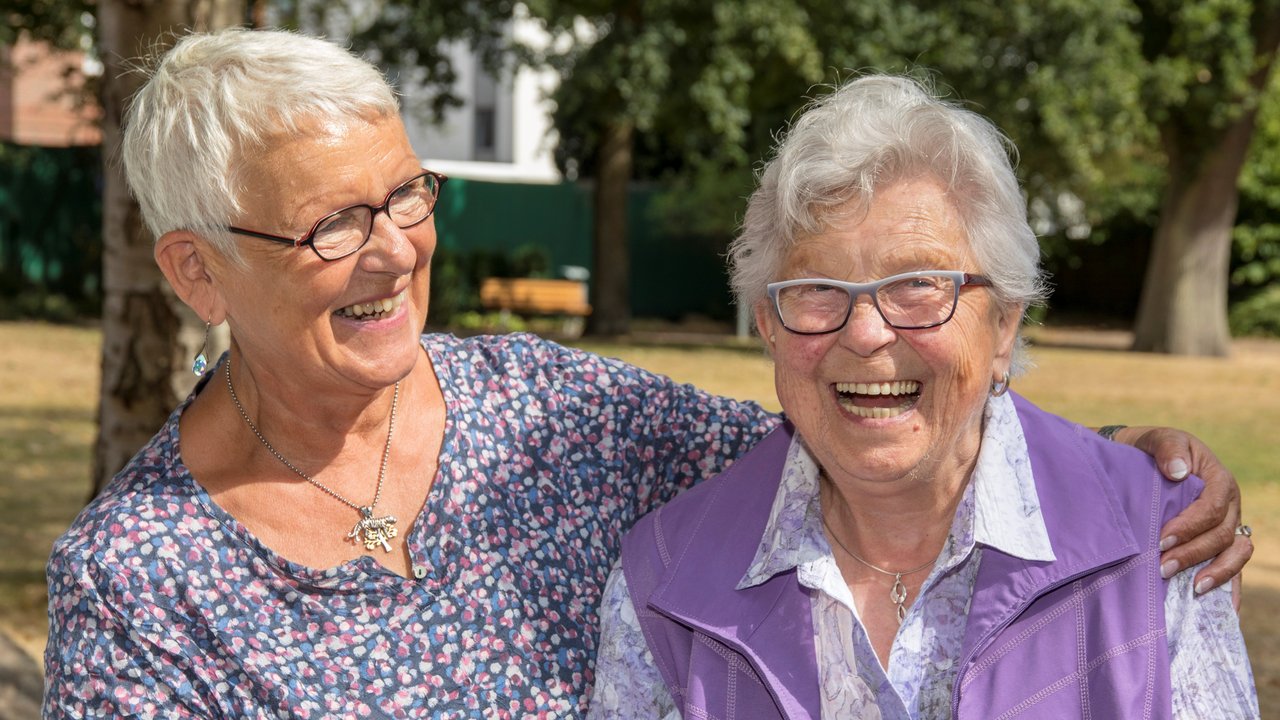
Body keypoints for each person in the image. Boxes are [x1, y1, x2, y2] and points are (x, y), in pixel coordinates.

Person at [44, 30, 1250, 717]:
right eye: (330, 225)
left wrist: (1123, 464)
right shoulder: (143, 581)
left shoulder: (550, 413)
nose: (395, 248)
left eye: (404, 195)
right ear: (198, 275)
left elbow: (860, 418)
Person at [589, 74, 1259, 719]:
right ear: (767, 325)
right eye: (817, 288)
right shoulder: (663, 584)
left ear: (1004, 323)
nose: (866, 333)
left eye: (918, 283)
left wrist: (1124, 465)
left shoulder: (1161, 545)